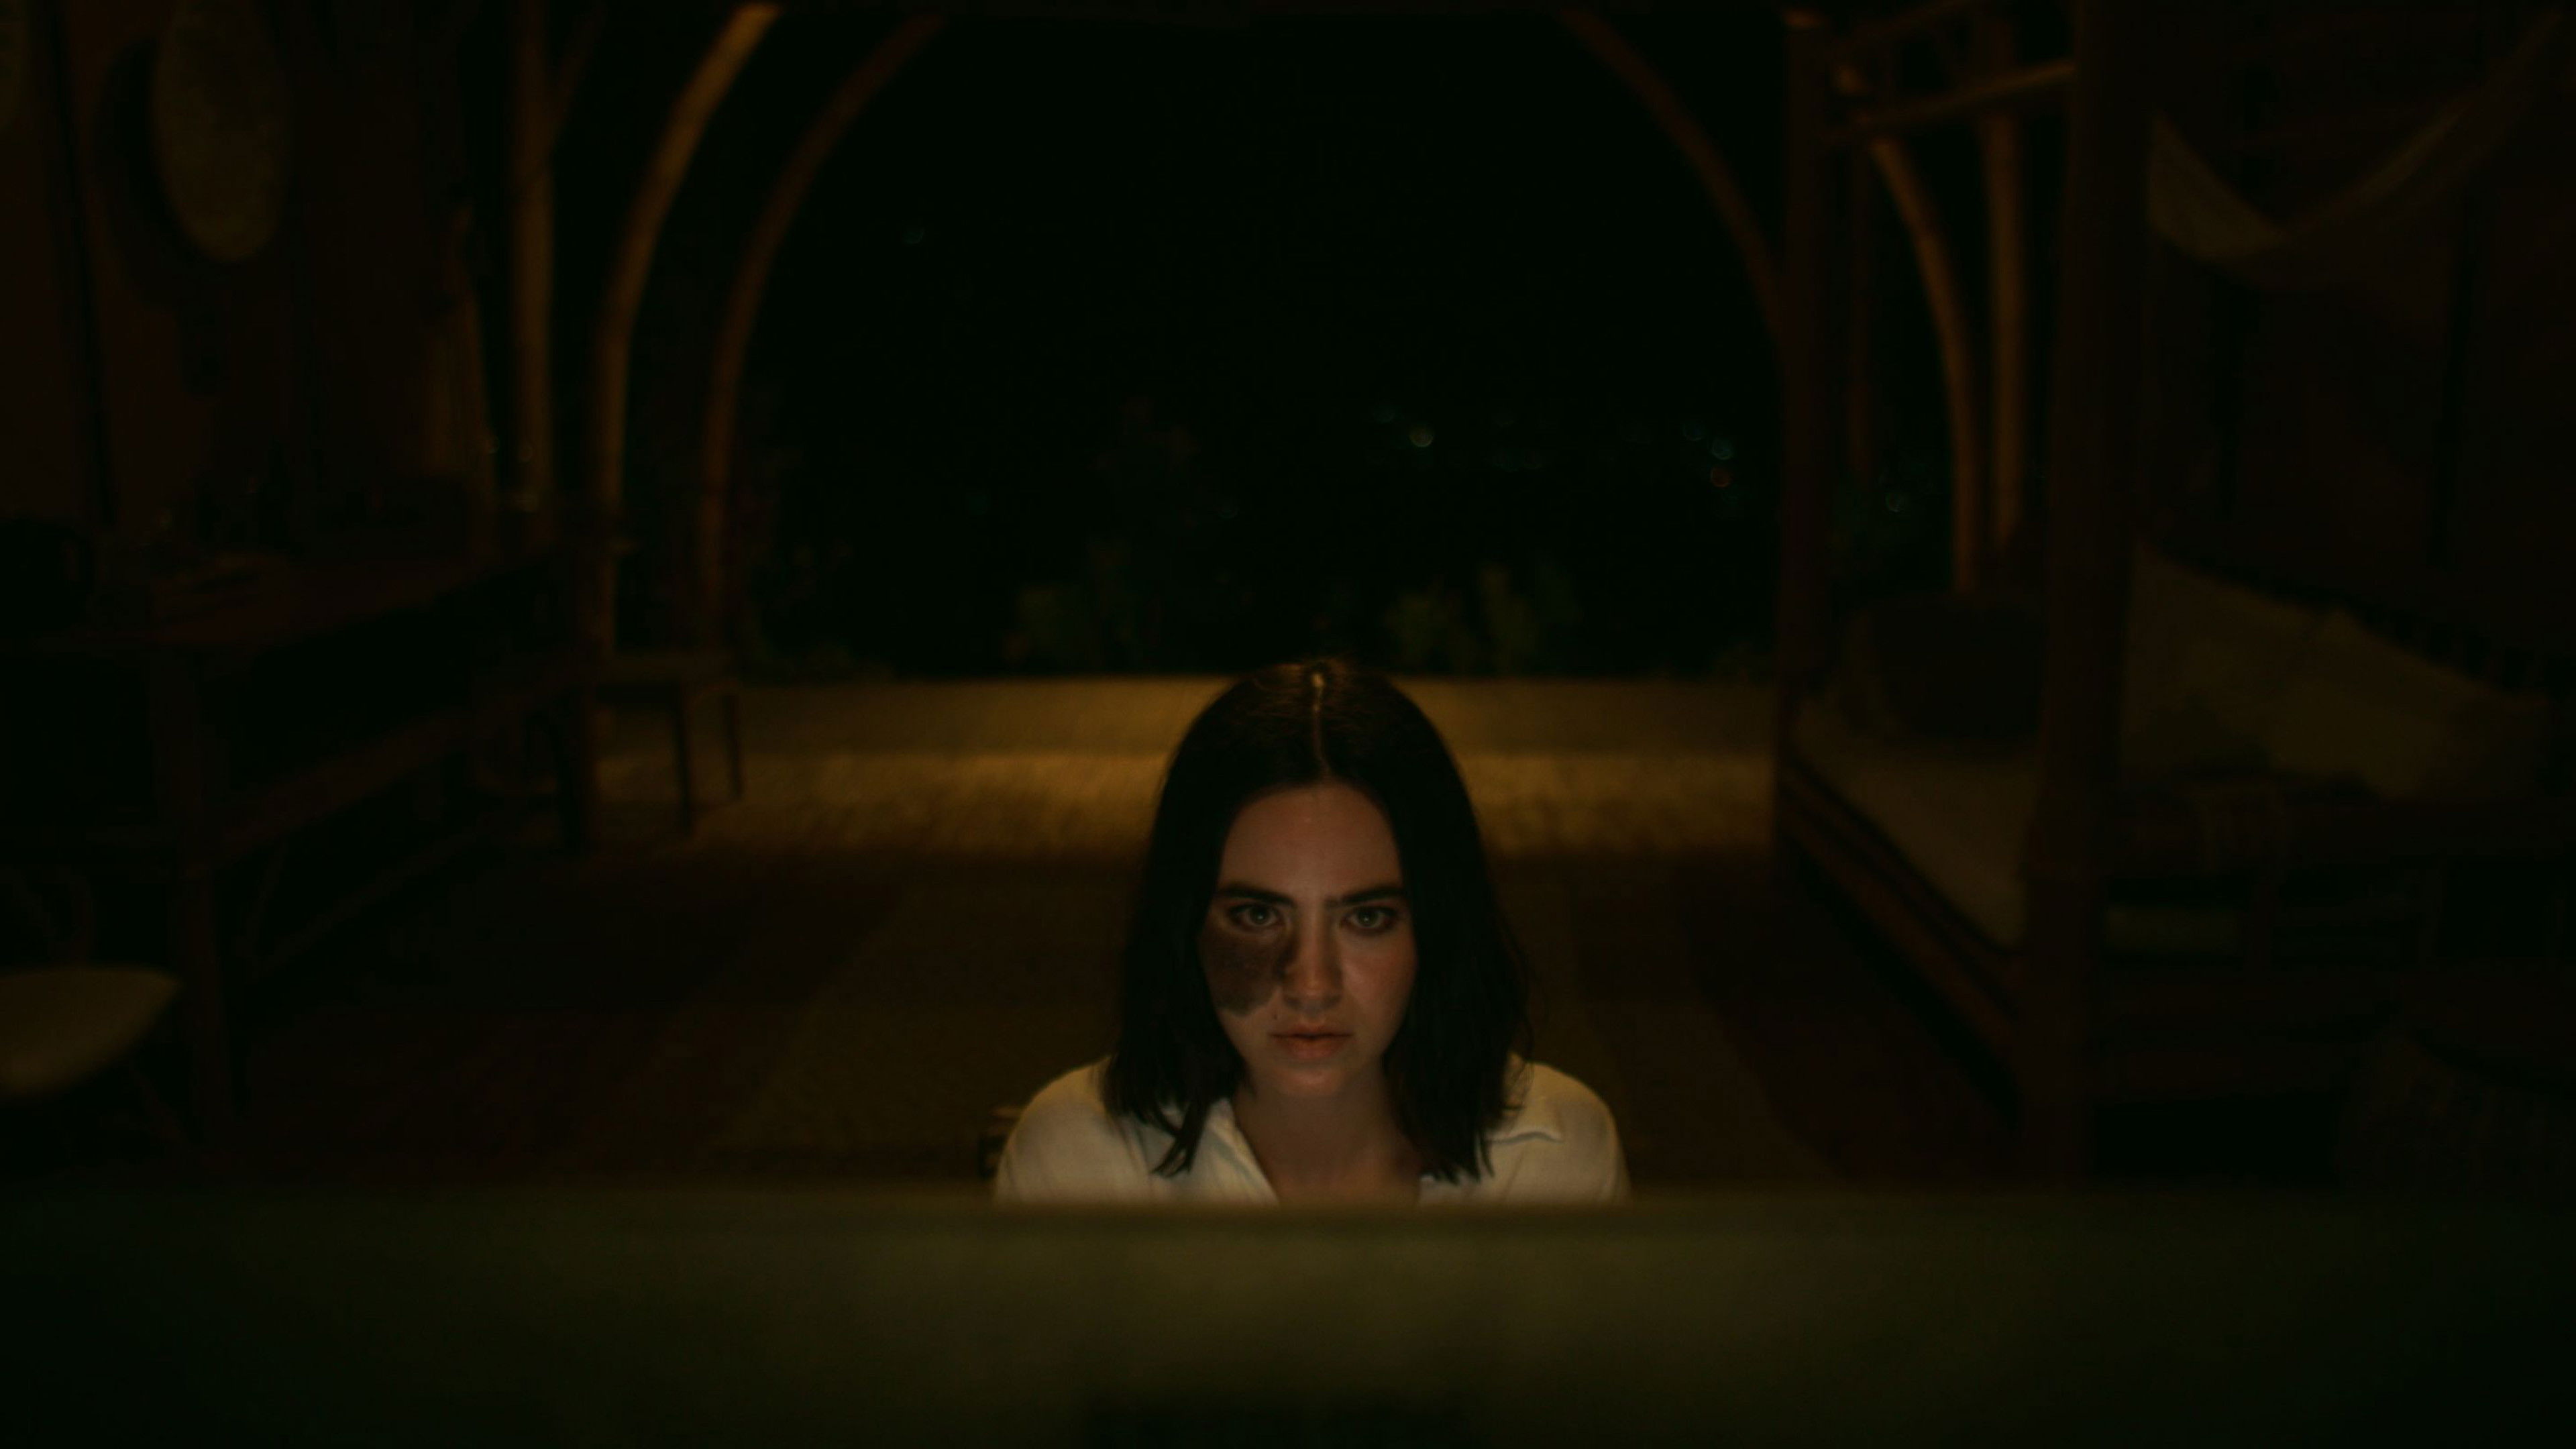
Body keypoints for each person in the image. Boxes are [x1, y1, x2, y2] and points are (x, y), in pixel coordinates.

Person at [995, 659, 1629, 1205]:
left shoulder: (1550, 1159)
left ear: (1435, 926)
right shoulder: (1080, 1161)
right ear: (1186, 921)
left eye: (1366, 918)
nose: (1312, 986)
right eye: (1259, 916)